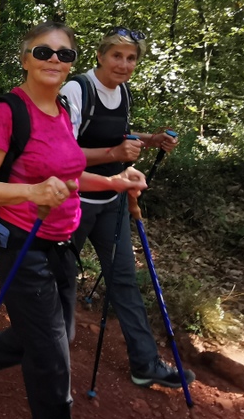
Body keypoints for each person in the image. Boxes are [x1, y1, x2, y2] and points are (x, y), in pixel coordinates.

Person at [0, 22, 146, 419]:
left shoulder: (63, 107)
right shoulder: (9, 111)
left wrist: (113, 182)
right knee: (51, 350)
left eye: (65, 55)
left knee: (52, 334)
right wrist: (29, 190)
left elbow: (70, 172)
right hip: (22, 243)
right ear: (25, 58)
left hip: (63, 242)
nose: (54, 60)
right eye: (43, 51)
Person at [59, 26, 193, 389]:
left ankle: (145, 363)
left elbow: (117, 136)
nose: (124, 64)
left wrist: (149, 140)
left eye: (131, 58)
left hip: (112, 201)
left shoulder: (123, 93)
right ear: (100, 56)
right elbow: (61, 151)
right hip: (73, 203)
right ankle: (43, 355)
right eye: (116, 55)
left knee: (125, 280)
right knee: (60, 280)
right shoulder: (77, 89)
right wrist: (115, 156)